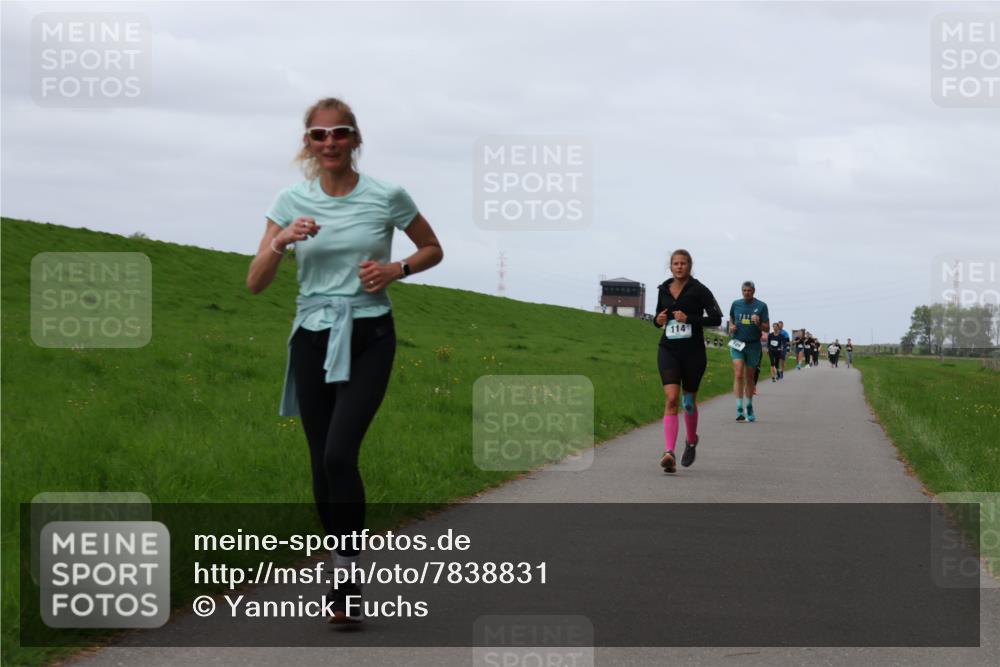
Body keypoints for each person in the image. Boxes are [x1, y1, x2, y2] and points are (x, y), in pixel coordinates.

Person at [246, 97, 443, 623]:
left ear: (355, 139)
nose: (329, 142)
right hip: (310, 338)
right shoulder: (289, 199)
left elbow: (432, 247)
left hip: (369, 334)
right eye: (318, 134)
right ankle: (340, 572)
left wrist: (397, 269)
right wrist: (282, 241)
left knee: (338, 455)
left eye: (339, 133)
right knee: (318, 461)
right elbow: (255, 282)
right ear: (307, 142)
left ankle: (348, 577)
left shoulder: (386, 195)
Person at [653, 249, 723, 473]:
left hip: (693, 352)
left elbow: (715, 318)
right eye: (675, 263)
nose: (679, 267)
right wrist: (658, 320)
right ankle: (669, 452)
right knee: (672, 398)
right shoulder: (663, 289)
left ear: (689, 266)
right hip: (669, 348)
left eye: (683, 263)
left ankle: (691, 440)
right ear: (671, 266)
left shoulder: (699, 290)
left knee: (689, 403)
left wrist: (689, 319)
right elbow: (658, 317)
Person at [728, 281, 769, 422]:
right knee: (738, 373)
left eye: (749, 291)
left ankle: (749, 406)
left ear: (754, 291)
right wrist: (731, 327)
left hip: (753, 345)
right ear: (741, 291)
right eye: (744, 290)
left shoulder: (761, 306)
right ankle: (739, 408)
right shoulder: (736, 304)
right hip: (737, 343)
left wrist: (758, 323)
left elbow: (767, 328)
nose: (747, 293)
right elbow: (732, 319)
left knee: (749, 377)